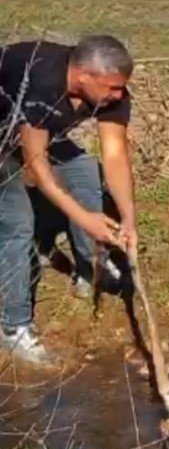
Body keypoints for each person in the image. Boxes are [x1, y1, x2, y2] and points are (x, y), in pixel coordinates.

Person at [0, 34, 137, 364]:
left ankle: (89, 271)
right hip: (4, 136)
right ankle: (14, 328)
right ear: (83, 76)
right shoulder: (42, 83)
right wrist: (84, 218)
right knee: (17, 223)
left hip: (33, 129)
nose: (118, 95)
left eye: (121, 88)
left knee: (86, 172)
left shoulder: (109, 94)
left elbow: (115, 155)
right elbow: (36, 164)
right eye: (112, 88)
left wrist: (129, 217)